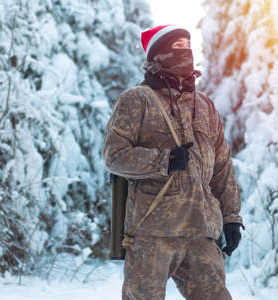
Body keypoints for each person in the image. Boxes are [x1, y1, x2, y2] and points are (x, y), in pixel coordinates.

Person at [103, 25, 243, 300]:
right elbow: (114, 155)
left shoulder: (205, 106)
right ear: (158, 54)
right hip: (152, 231)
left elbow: (223, 167)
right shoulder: (136, 99)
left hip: (201, 230)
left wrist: (231, 218)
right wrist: (163, 161)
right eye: (176, 46)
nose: (185, 51)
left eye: (187, 45)